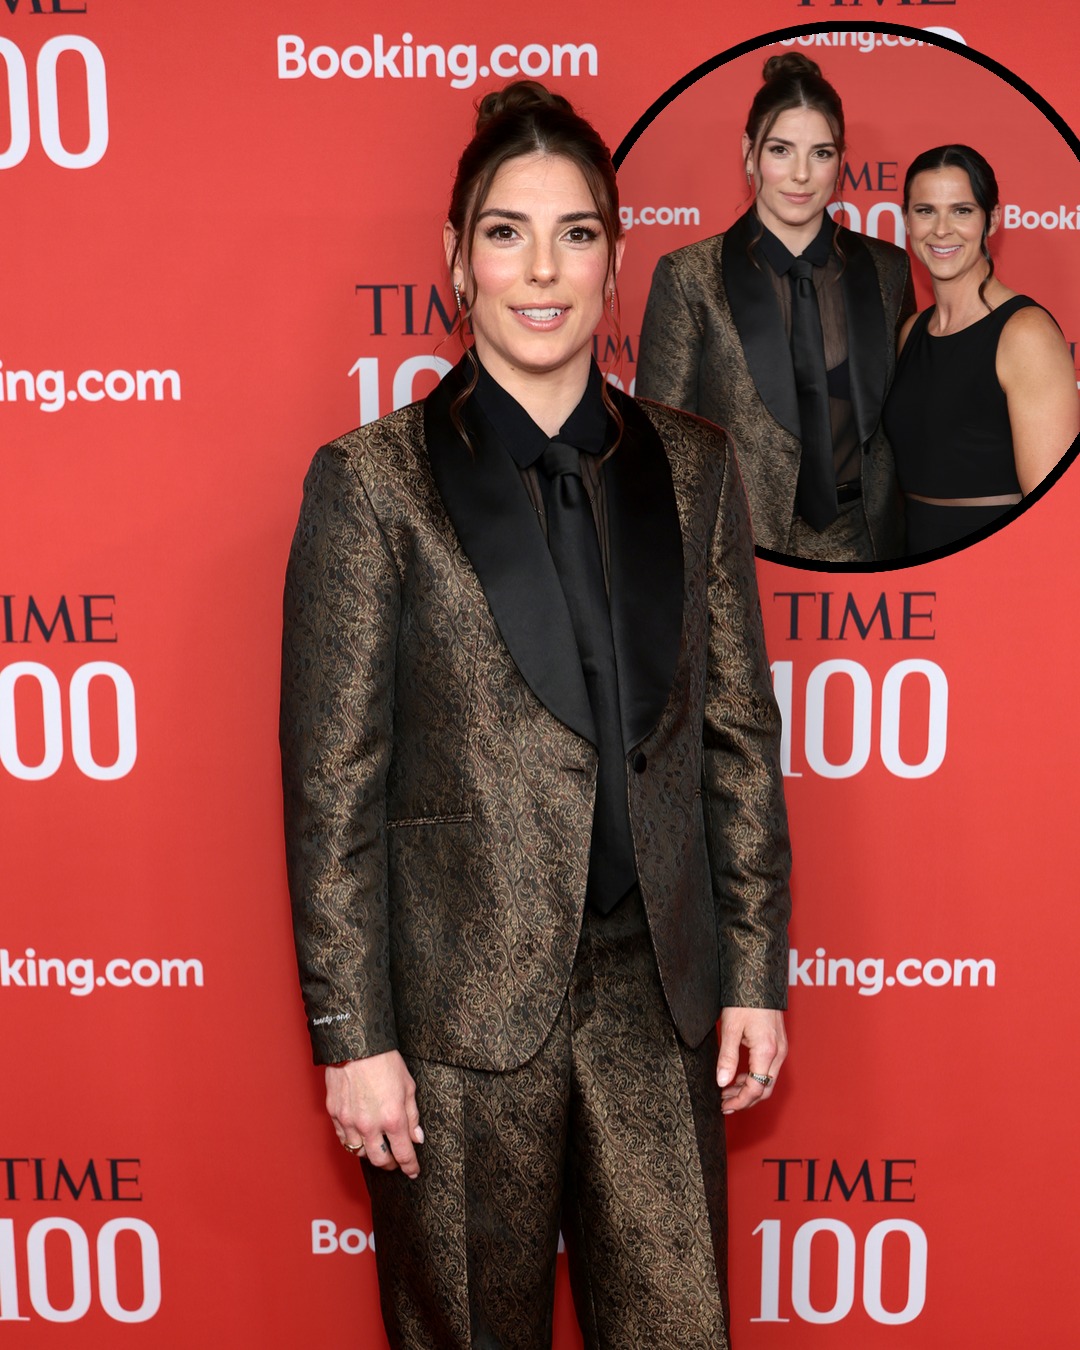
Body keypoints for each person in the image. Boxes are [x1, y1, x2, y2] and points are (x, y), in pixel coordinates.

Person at [280, 80, 791, 1350]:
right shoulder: (373, 484)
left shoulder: (697, 464)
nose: (543, 270)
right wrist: (354, 1038)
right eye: (507, 233)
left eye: (576, 234)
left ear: (615, 260)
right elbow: (334, 784)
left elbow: (736, 738)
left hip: (657, 998)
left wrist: (754, 971)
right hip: (456, 1019)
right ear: (458, 261)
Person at [636, 53, 914, 563]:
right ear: (749, 153)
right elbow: (665, 446)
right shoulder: (689, 276)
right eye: (781, 150)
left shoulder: (889, 270)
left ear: (841, 160)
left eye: (821, 153)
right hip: (739, 553)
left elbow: (904, 421)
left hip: (868, 546)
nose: (801, 175)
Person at [882, 144, 1079, 555]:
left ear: (992, 220)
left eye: (962, 210)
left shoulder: (1025, 333)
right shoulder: (911, 331)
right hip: (912, 563)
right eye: (925, 211)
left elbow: (1053, 509)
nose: (941, 230)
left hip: (994, 565)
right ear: (906, 220)